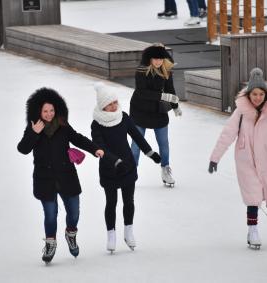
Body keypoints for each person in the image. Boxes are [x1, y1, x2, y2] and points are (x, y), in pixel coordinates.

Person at [208, 68, 267, 250]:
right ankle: (253, 230)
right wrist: (215, 158)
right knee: (253, 196)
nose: (257, 97)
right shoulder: (240, 113)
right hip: (247, 161)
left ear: (265, 94)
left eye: (261, 94)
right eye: (254, 94)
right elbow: (227, 135)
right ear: (249, 94)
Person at [17, 87, 104, 264]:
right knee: (50, 214)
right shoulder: (34, 127)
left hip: (66, 176)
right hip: (45, 178)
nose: (49, 114)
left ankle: (70, 234)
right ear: (38, 112)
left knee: (74, 212)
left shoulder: (63, 125)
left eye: (51, 110)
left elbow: (78, 138)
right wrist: (34, 133)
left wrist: (94, 148)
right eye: (45, 111)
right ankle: (50, 243)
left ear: (56, 109)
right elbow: (23, 149)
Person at [91, 83, 161, 253]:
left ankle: (128, 231)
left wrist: (150, 153)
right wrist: (115, 162)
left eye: (115, 102)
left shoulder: (123, 117)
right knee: (111, 202)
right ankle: (111, 234)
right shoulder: (97, 124)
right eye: (109, 104)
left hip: (128, 166)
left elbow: (137, 136)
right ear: (102, 106)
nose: (114, 106)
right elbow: (100, 147)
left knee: (129, 201)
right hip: (109, 168)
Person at [129, 43, 182, 188]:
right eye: (155, 59)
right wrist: (163, 96)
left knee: (164, 143)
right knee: (136, 144)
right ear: (150, 59)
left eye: (161, 59)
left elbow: (170, 90)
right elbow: (142, 92)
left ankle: (165, 169)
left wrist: (175, 106)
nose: (158, 62)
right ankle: (131, 171)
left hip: (158, 111)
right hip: (139, 111)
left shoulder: (166, 71)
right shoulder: (141, 71)